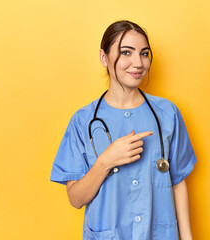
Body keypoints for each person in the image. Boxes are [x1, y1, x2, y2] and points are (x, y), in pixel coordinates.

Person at [50, 20, 197, 240]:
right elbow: (75, 199)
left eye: (144, 53)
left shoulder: (168, 114)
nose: (138, 63)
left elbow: (178, 184)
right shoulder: (82, 121)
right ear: (103, 57)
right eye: (126, 52)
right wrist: (106, 161)